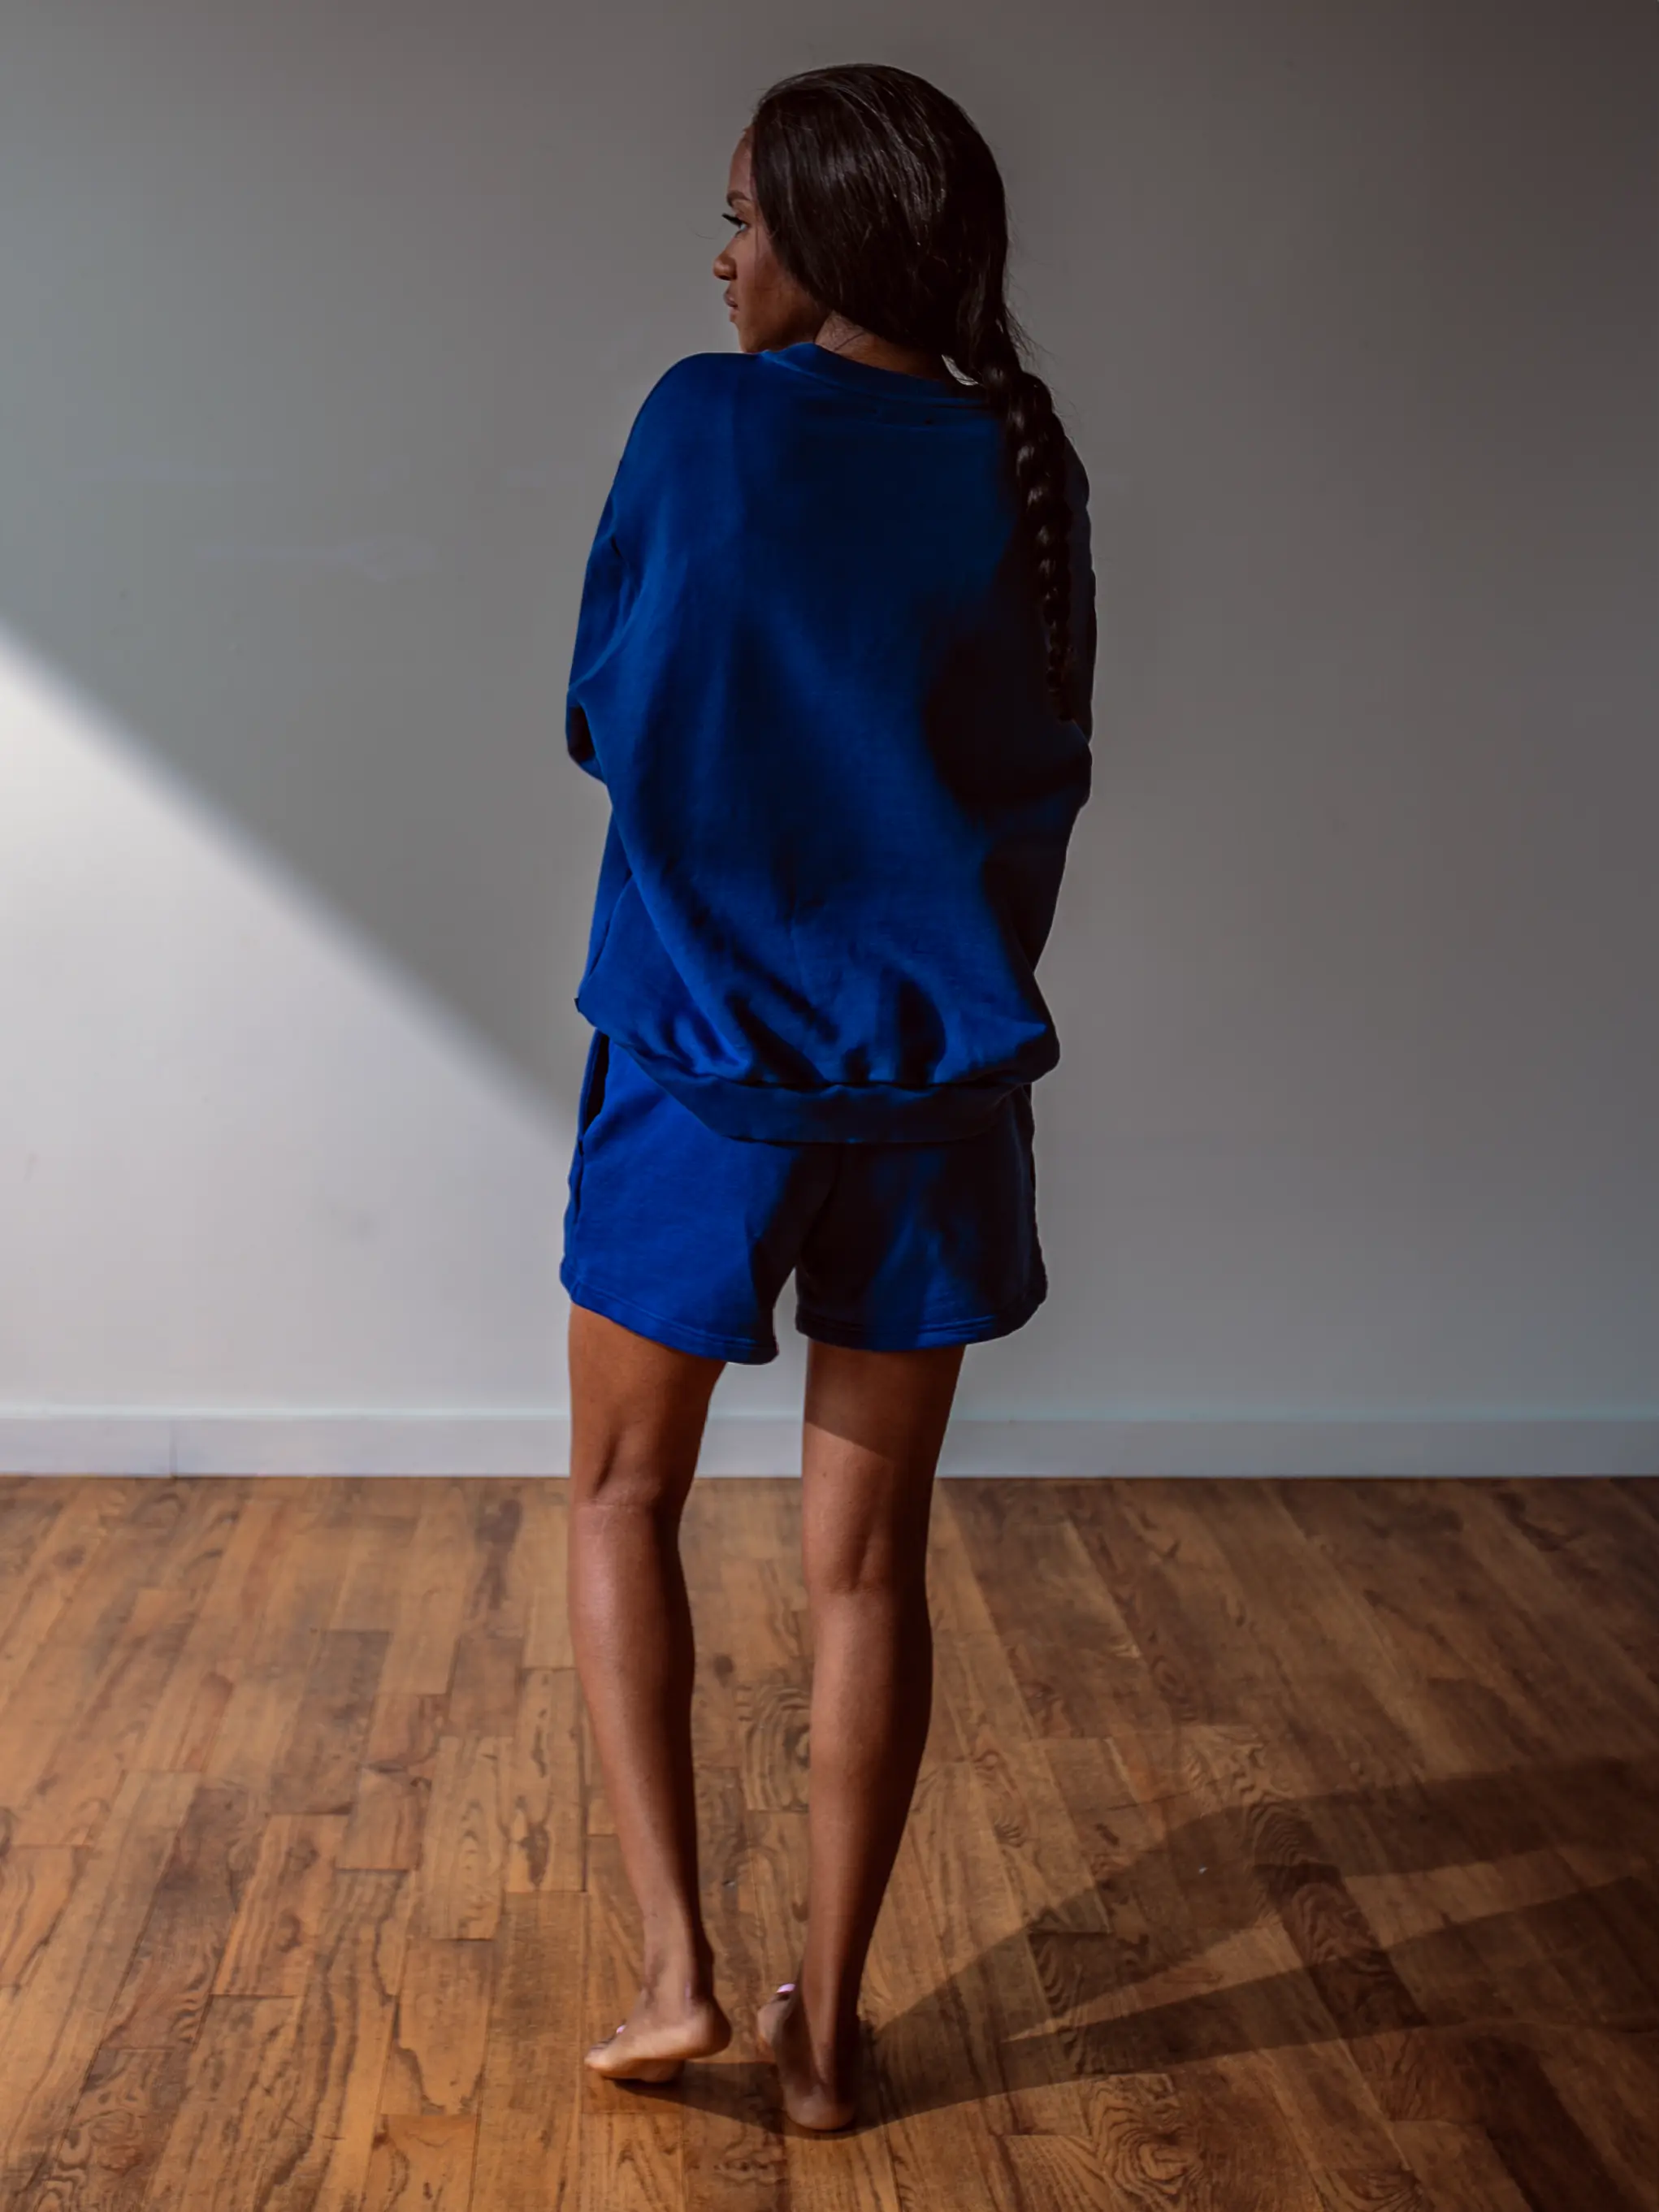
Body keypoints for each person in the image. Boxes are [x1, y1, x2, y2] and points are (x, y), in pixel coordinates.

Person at [561, 62, 1097, 2132]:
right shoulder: (1018, 462)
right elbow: (1043, 772)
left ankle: (680, 1970)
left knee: (622, 1502)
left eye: (746, 218)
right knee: (868, 1572)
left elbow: (606, 706)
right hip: (935, 1098)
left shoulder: (698, 425)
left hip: (700, 1075)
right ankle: (829, 2032)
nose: (723, 255)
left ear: (832, 236)